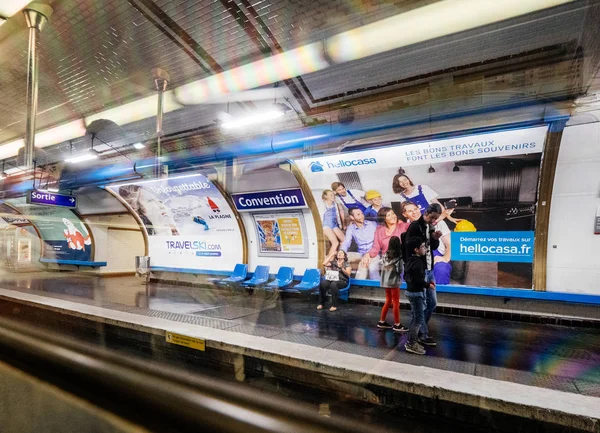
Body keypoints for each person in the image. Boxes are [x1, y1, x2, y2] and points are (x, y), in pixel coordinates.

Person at [404, 203, 442, 347]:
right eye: (432, 217)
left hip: (429, 268)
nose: (433, 220)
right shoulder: (415, 226)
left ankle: (419, 331)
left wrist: (435, 238)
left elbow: (432, 247)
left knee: (431, 303)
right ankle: (420, 334)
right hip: (420, 270)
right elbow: (411, 246)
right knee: (421, 305)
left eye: (435, 218)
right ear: (427, 212)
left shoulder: (430, 226)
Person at [402, 201, 452, 284]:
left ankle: (441, 296)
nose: (414, 212)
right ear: (404, 214)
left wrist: (445, 258)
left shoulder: (439, 222)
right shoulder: (405, 226)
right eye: (410, 211)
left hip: (437, 257)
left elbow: (449, 244)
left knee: (441, 269)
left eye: (415, 209)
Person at [404, 237, 434, 355]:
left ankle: (411, 342)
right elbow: (419, 280)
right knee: (418, 320)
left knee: (415, 319)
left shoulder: (409, 261)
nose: (425, 249)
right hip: (416, 293)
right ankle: (412, 343)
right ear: (416, 250)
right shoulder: (418, 263)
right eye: (422, 247)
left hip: (410, 292)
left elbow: (407, 277)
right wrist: (428, 285)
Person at [392, 169, 456, 223]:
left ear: (408, 179)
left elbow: (437, 204)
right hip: (419, 224)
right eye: (400, 182)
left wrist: (449, 217)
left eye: (405, 179)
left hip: (434, 219)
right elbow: (407, 214)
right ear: (398, 184)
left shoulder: (423, 188)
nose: (404, 182)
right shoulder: (402, 196)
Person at [363, 207, 409, 280]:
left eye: (393, 213)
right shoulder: (379, 229)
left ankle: (403, 287)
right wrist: (367, 255)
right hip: (386, 258)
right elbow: (376, 247)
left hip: (401, 257)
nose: (392, 216)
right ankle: (377, 287)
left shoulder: (404, 226)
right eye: (388, 215)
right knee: (372, 266)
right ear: (384, 218)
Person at [337, 208, 378, 279]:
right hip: (361, 253)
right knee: (340, 257)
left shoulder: (372, 224)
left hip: (373, 254)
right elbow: (347, 242)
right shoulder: (351, 228)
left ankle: (359, 285)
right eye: (358, 214)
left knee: (363, 264)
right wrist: (342, 251)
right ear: (352, 217)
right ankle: (339, 280)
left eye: (362, 214)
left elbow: (379, 240)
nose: (362, 216)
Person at [378, 236, 408, 332]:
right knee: (395, 302)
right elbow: (400, 271)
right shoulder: (399, 257)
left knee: (388, 301)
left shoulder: (385, 255)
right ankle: (397, 324)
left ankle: (382, 321)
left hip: (385, 282)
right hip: (394, 282)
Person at [320, 190, 345, 264]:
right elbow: (320, 216)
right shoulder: (323, 205)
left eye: (333, 195)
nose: (333, 197)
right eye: (330, 195)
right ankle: (329, 260)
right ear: (325, 196)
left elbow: (337, 216)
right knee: (335, 242)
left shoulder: (335, 204)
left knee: (344, 240)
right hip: (326, 225)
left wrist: (340, 226)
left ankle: (339, 256)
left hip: (334, 225)